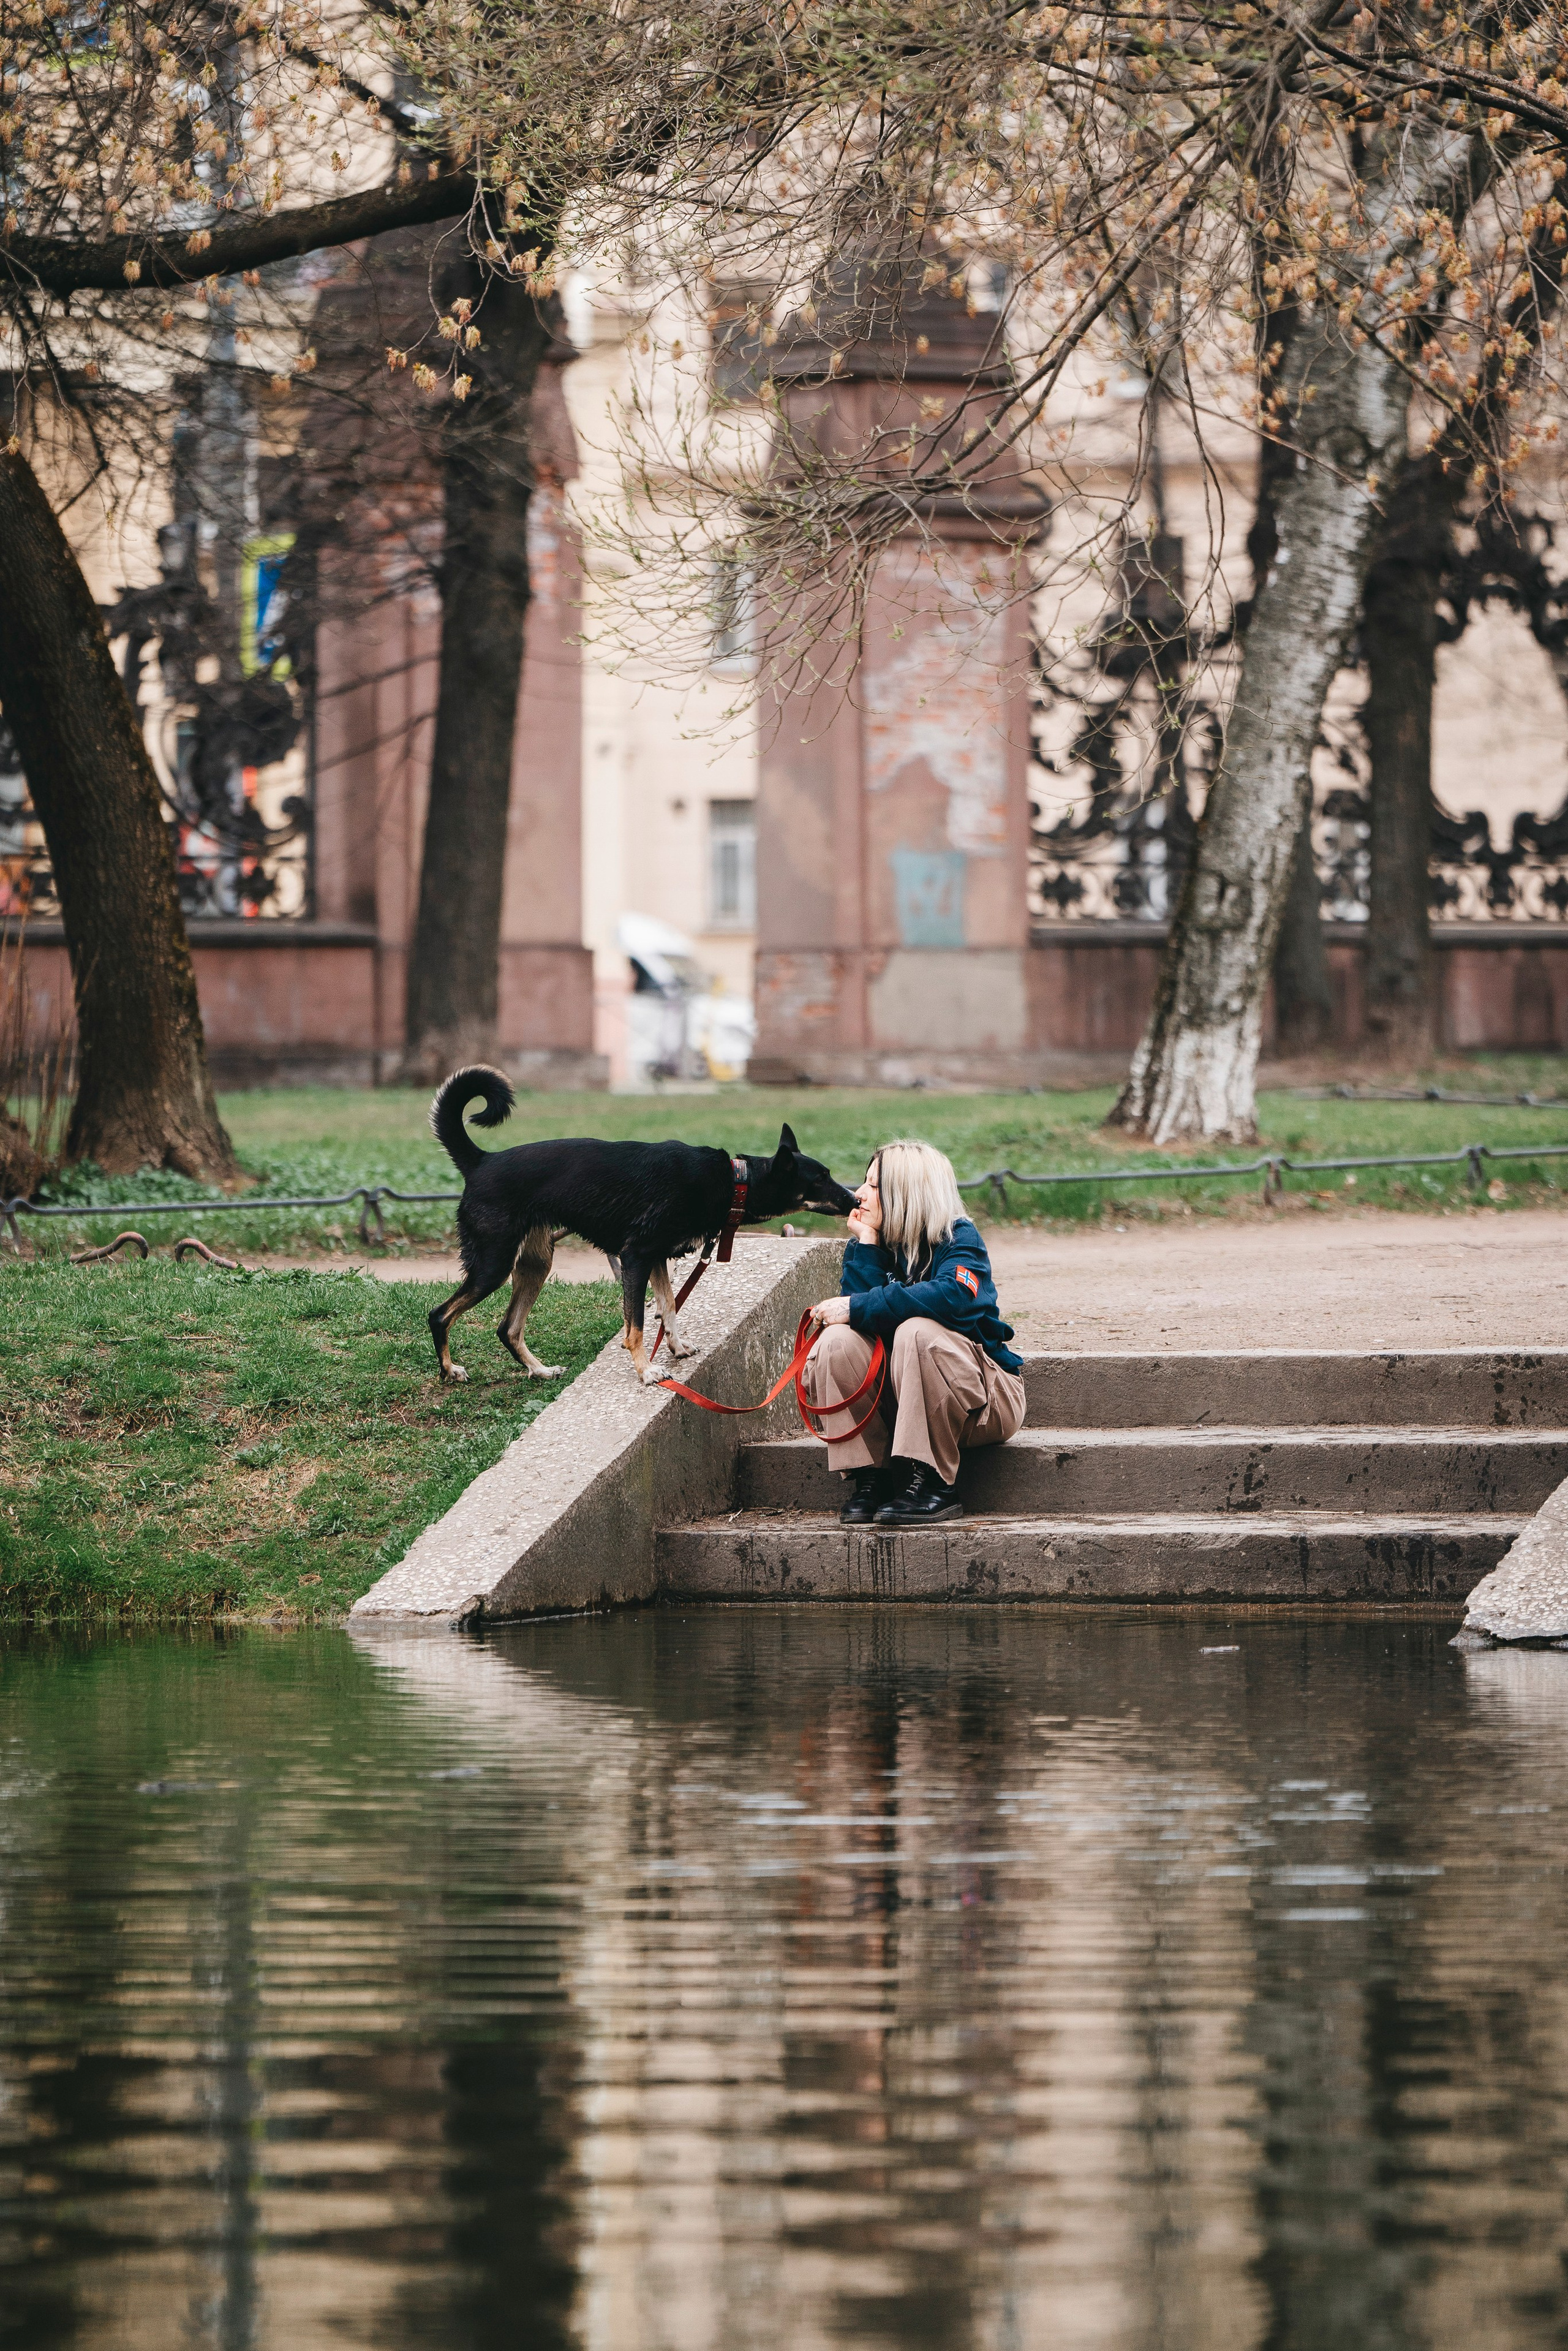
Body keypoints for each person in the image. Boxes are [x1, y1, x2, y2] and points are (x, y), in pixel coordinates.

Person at [803, 1139, 1026, 1526]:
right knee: (838, 1341)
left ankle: (933, 1483)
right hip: (899, 1397)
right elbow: (862, 1327)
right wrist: (869, 1246)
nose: (859, 1195)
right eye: (866, 1183)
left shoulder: (960, 1239)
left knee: (917, 1332)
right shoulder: (872, 1243)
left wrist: (858, 1307)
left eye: (874, 1186)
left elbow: (953, 1296)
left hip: (984, 1401)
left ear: (905, 1193)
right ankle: (870, 1477)